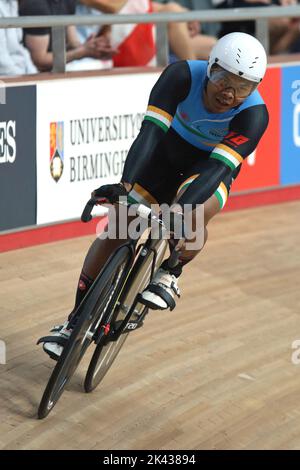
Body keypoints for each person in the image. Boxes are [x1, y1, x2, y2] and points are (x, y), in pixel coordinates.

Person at [40, 32, 269, 360]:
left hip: (207, 168)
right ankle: (73, 324)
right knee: (119, 228)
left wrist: (180, 211)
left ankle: (171, 271)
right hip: (165, 153)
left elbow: (217, 170)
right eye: (222, 79)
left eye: (243, 87)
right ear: (210, 67)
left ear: (254, 88)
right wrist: (126, 186)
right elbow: (150, 133)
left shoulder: (254, 115)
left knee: (195, 213)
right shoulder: (180, 76)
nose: (230, 93)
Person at [19, 0, 117, 72]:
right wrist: (83, 52)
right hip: (29, 76)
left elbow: (73, 43)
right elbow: (39, 61)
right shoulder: (36, 5)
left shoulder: (68, 2)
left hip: (54, 71)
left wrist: (91, 47)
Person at [0, 0, 37, 76]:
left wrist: (33, 73)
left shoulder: (12, 3)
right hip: (8, 77)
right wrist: (22, 78)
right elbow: (2, 61)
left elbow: (19, 46)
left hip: (19, 72)